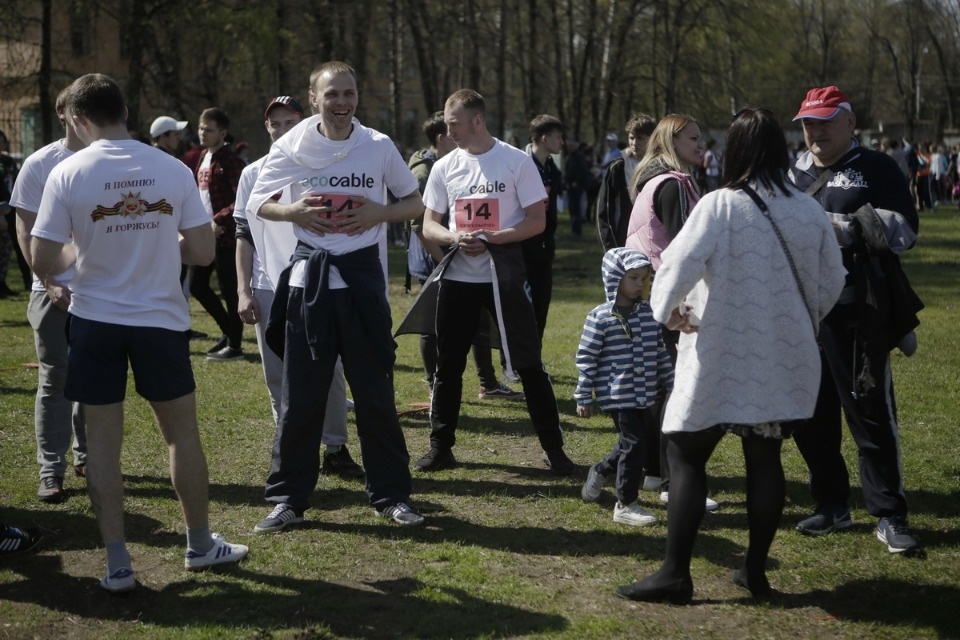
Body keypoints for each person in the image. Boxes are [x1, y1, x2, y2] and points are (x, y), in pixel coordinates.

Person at [29, 73, 248, 593]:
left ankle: (118, 565)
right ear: (126, 111)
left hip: (95, 322)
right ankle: (199, 544)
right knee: (181, 436)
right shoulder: (171, 167)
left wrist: (84, 250)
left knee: (102, 447)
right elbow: (201, 252)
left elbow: (42, 258)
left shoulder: (67, 171)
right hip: (160, 322)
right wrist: (156, 238)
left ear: (78, 118)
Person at [617, 107, 845, 604]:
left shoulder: (720, 206)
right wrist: (796, 321)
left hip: (718, 349)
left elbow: (676, 264)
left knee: (684, 451)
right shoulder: (809, 210)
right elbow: (833, 282)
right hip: (782, 354)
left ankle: (675, 573)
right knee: (764, 457)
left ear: (736, 151)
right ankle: (755, 572)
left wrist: (668, 311)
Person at [247, 61, 424, 530]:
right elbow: (257, 202)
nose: (342, 103)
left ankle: (392, 496)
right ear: (314, 99)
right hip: (310, 284)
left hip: (362, 284)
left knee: (375, 395)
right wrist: (293, 212)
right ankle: (288, 499)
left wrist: (378, 213)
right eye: (332, 94)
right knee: (301, 399)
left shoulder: (378, 146)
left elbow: (415, 203)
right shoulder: (293, 144)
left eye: (349, 93)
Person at [411, 89, 576, 475]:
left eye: (454, 123)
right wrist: (455, 237)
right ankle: (440, 447)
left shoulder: (515, 161)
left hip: (504, 278)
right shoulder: (444, 167)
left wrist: (496, 238)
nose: (448, 132)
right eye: (446, 124)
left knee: (529, 363)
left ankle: (554, 450)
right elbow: (429, 225)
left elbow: (536, 221)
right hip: (458, 279)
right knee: (448, 366)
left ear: (477, 120)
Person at [788, 86, 923, 554]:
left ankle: (889, 513)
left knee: (869, 413)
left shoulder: (877, 167)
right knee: (810, 415)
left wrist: (842, 229)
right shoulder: (792, 172)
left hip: (857, 311)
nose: (816, 131)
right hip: (805, 313)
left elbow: (906, 228)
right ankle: (831, 504)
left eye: (825, 121)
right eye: (808, 123)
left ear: (850, 121)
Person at [234, 95, 363, 480]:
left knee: (330, 368)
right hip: (268, 286)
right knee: (278, 371)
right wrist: (243, 290)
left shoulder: (325, 166)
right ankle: (290, 445)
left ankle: (335, 447)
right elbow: (244, 235)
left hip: (317, 282)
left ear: (304, 122)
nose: (281, 130)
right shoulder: (253, 173)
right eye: (274, 124)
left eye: (289, 123)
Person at [624, 114, 718, 511]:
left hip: (648, 293)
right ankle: (671, 481)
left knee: (657, 386)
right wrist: (680, 302)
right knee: (675, 390)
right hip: (665, 298)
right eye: (693, 138)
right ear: (671, 141)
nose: (701, 144)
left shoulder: (654, 181)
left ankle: (653, 471)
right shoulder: (673, 183)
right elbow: (684, 249)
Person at [407, 112, 523, 401]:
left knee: (478, 320)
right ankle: (435, 384)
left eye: (456, 126)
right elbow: (420, 226)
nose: (455, 135)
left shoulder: (473, 164)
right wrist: (443, 262)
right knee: (432, 324)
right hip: (436, 260)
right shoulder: (427, 172)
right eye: (450, 130)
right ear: (440, 138)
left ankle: (488, 382)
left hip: (461, 257)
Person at [11, 86, 89, 504]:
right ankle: (51, 469)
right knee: (55, 378)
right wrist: (50, 278)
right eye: (78, 109)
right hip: (52, 291)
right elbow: (25, 229)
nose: (84, 117)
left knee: (94, 377)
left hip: (100, 292)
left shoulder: (111, 161)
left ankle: (89, 456)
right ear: (62, 112)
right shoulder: (40, 163)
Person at [577, 247, 673, 527]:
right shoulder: (600, 317)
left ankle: (600, 470)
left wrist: (672, 383)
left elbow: (660, 352)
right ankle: (626, 504)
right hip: (617, 394)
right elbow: (587, 357)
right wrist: (583, 395)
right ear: (614, 278)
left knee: (631, 442)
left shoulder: (649, 314)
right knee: (635, 443)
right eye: (633, 278)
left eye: (643, 278)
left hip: (645, 393)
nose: (640, 284)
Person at [190, 107, 246, 361]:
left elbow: (241, 199)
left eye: (209, 130)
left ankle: (234, 346)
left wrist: (219, 220)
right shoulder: (203, 156)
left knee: (230, 290)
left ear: (223, 133)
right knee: (197, 285)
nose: (203, 133)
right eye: (201, 128)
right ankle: (228, 331)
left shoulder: (231, 161)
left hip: (226, 236)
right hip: (204, 234)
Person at [524, 114, 564, 341]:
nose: (562, 142)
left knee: (541, 304)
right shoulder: (520, 165)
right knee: (523, 306)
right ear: (545, 138)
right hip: (522, 247)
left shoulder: (550, 168)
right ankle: (516, 357)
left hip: (544, 246)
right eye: (558, 137)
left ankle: (534, 355)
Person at [596, 113, 657, 251]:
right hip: (622, 241)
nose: (634, 143)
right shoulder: (617, 168)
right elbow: (604, 210)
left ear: (652, 139)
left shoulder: (660, 168)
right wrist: (611, 247)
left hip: (653, 242)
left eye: (640, 138)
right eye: (631, 137)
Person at [1, 130, 31, 298]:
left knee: (20, 243)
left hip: (12, 207)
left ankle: (28, 280)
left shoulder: (9, 161)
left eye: (2, 141)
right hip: (2, 209)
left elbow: (18, 180)